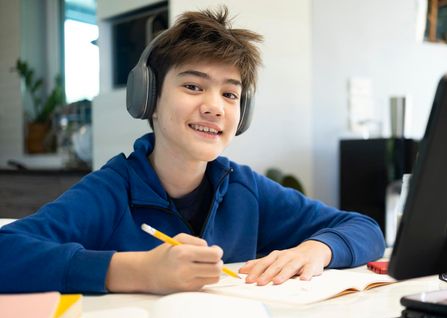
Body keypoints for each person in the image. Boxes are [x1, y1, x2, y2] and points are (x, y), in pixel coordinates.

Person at [0, 7, 385, 294]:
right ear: (148, 98)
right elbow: (7, 253)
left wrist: (318, 249)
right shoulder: (113, 190)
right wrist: (137, 271)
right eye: (193, 87)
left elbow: (365, 229)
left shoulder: (244, 188)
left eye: (230, 93)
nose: (215, 106)